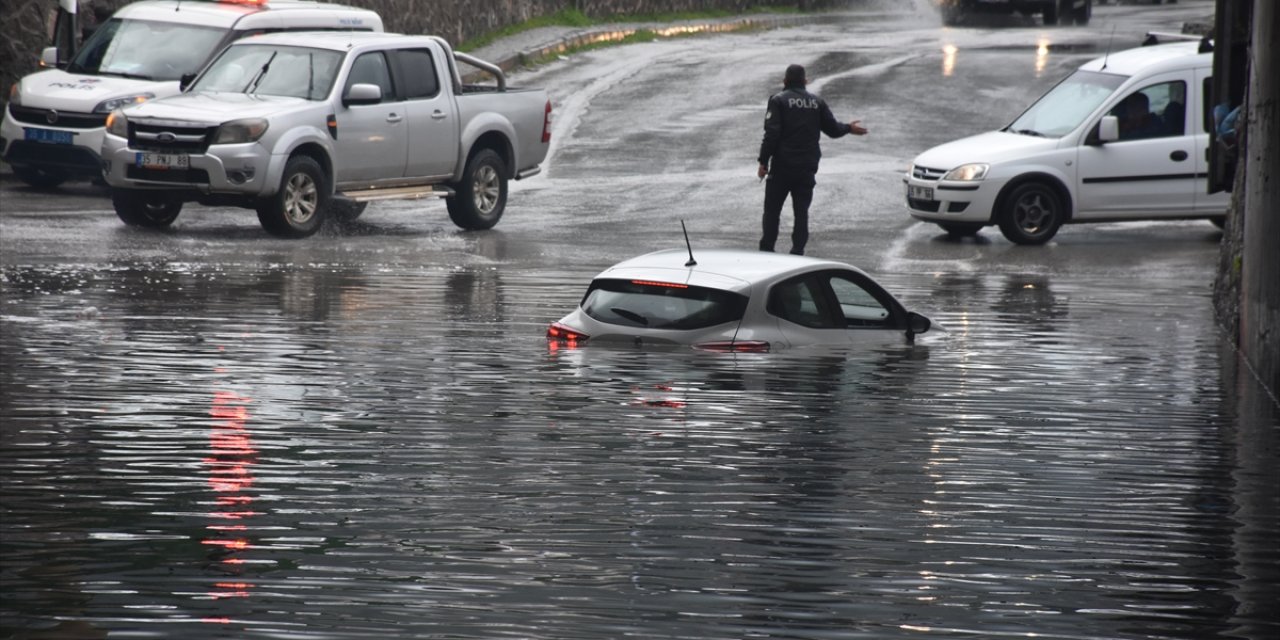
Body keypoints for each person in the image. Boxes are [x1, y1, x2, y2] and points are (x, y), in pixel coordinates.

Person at [756, 64, 867, 255]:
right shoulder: (817, 102)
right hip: (807, 168)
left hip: (782, 167)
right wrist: (849, 128)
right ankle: (797, 251)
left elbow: (771, 134)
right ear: (806, 82)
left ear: (785, 81)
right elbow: (832, 130)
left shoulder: (778, 101)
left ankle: (767, 250)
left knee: (772, 211)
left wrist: (763, 162)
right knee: (801, 212)